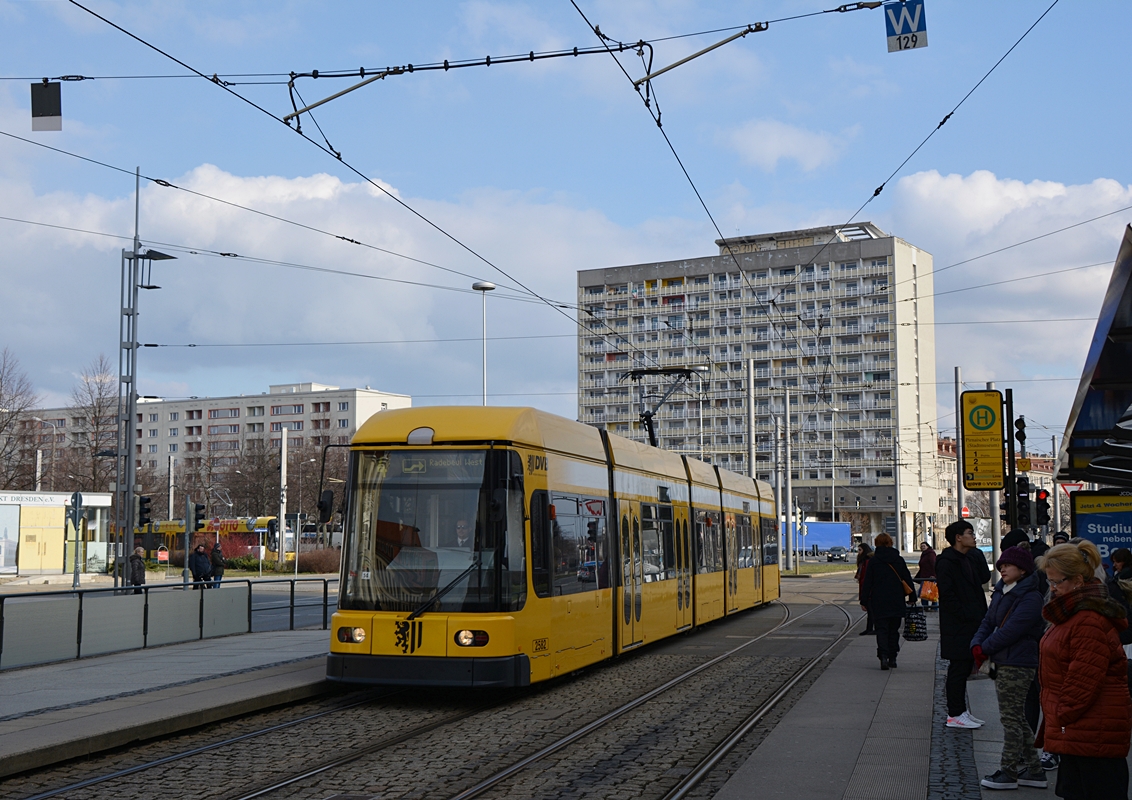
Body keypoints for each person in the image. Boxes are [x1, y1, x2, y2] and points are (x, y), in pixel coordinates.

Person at [1036, 539, 1131, 799]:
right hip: (1082, 732)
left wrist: (1060, 716)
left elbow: (1083, 683)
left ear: (1078, 581)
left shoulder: (1086, 619)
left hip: (1090, 732)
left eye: (1057, 582)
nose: (1053, 589)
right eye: (1050, 582)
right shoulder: (1073, 612)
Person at [971, 546, 1048, 791]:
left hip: (1019, 663)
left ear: (1022, 569)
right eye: (1000, 565)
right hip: (1004, 660)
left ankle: (1008, 771)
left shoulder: (1031, 597)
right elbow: (988, 621)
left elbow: (1012, 630)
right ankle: (1035, 771)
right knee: (1016, 717)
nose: (1002, 568)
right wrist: (976, 643)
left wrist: (984, 647)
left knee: (1010, 719)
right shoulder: (1002, 591)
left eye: (1007, 565)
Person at [937, 519, 991, 729]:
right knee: (958, 668)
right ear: (958, 537)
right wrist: (966, 614)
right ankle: (955, 714)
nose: (974, 536)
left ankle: (961, 711)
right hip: (958, 624)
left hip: (972, 621)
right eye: (970, 533)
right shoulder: (947, 561)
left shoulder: (971, 557)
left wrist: (977, 555)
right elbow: (947, 595)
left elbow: (984, 578)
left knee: (965, 666)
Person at [860, 532, 916, 669]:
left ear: (876, 544)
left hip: (879, 600)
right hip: (896, 600)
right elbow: (907, 579)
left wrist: (864, 600)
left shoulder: (873, 561)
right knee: (894, 630)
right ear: (890, 543)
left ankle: (883, 656)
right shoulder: (898, 560)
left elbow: (868, 582)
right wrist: (912, 597)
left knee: (881, 630)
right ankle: (893, 657)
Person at [855, 542, 875, 636]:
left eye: (860, 550)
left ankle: (871, 628)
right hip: (865, 587)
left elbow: (866, 577)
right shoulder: (863, 561)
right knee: (870, 610)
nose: (858, 552)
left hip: (869, 589)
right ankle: (869, 628)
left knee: (871, 610)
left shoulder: (867, 561)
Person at [915, 540, 938, 611]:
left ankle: (934, 607)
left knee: (931, 591)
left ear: (928, 546)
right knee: (925, 592)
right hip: (924, 575)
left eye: (924, 546)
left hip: (930, 576)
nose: (922, 547)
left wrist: (934, 575)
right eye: (921, 546)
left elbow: (934, 564)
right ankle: (926, 607)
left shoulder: (931, 554)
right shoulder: (924, 554)